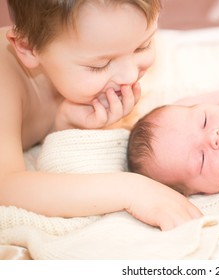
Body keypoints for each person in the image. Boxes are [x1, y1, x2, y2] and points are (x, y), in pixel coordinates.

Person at [0, 0, 202, 231]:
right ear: (27, 48)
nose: (130, 74)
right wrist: (132, 190)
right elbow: (5, 187)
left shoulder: (69, 57)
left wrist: (63, 124)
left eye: (142, 46)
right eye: (100, 65)